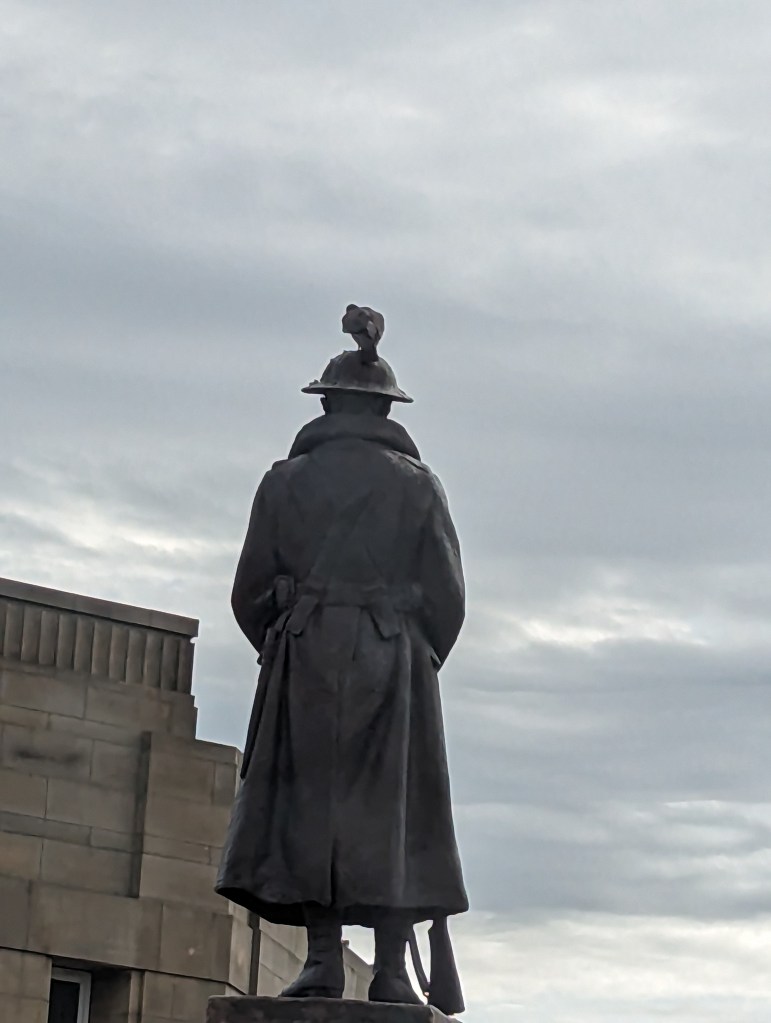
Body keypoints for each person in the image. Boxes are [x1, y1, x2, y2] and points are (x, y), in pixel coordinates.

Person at [216, 308, 468, 1013]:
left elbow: (247, 593)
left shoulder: (282, 481)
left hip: (303, 654)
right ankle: (390, 967)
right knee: (390, 809)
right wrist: (410, 657)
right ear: (385, 408)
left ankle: (322, 957)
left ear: (327, 403)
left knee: (307, 802)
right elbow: (448, 599)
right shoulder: (418, 485)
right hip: (394, 660)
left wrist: (290, 638)